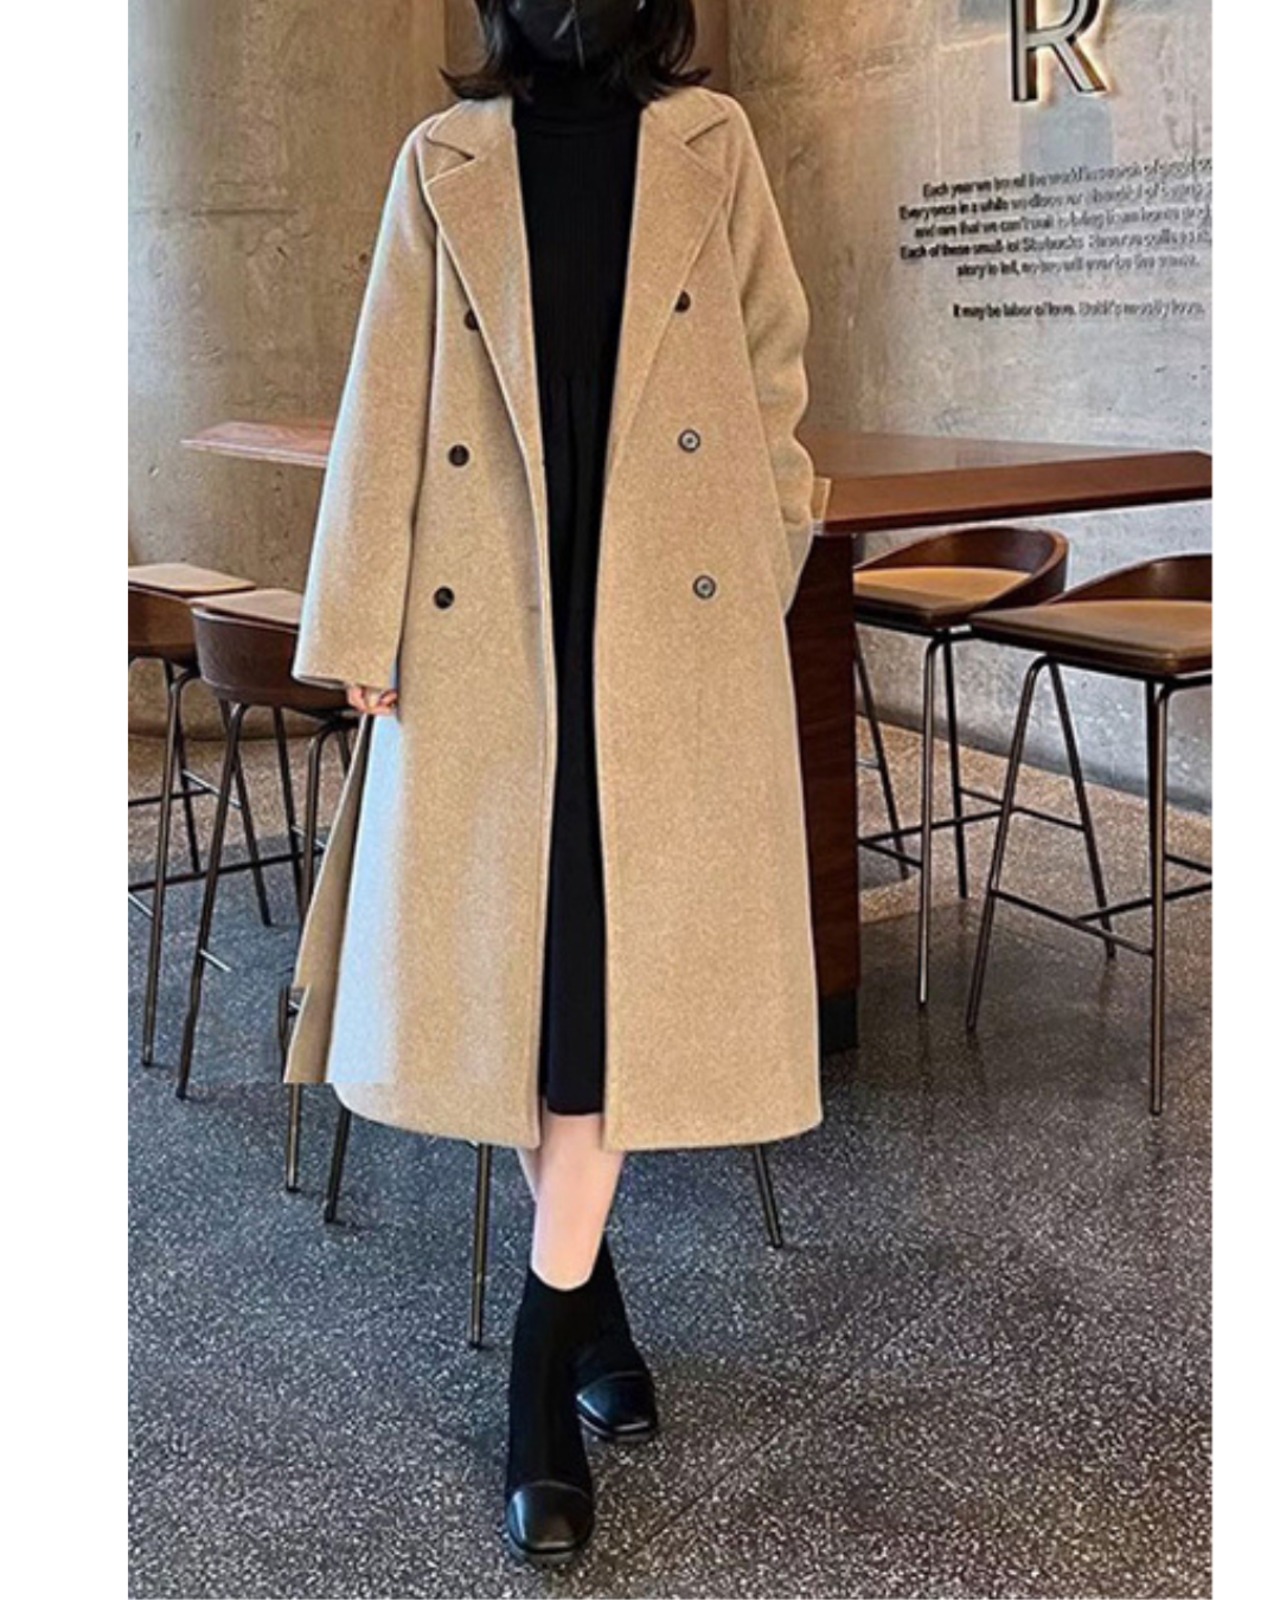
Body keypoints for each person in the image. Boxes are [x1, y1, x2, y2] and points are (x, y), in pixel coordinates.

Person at [286, 0, 826, 1567]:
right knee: (539, 1005)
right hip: (490, 630)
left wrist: (759, 555)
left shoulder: (712, 144)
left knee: (603, 1002)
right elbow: (388, 389)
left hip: (669, 629)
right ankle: (591, 1317)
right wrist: (361, 620)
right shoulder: (443, 156)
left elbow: (775, 379)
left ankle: (541, 1362)